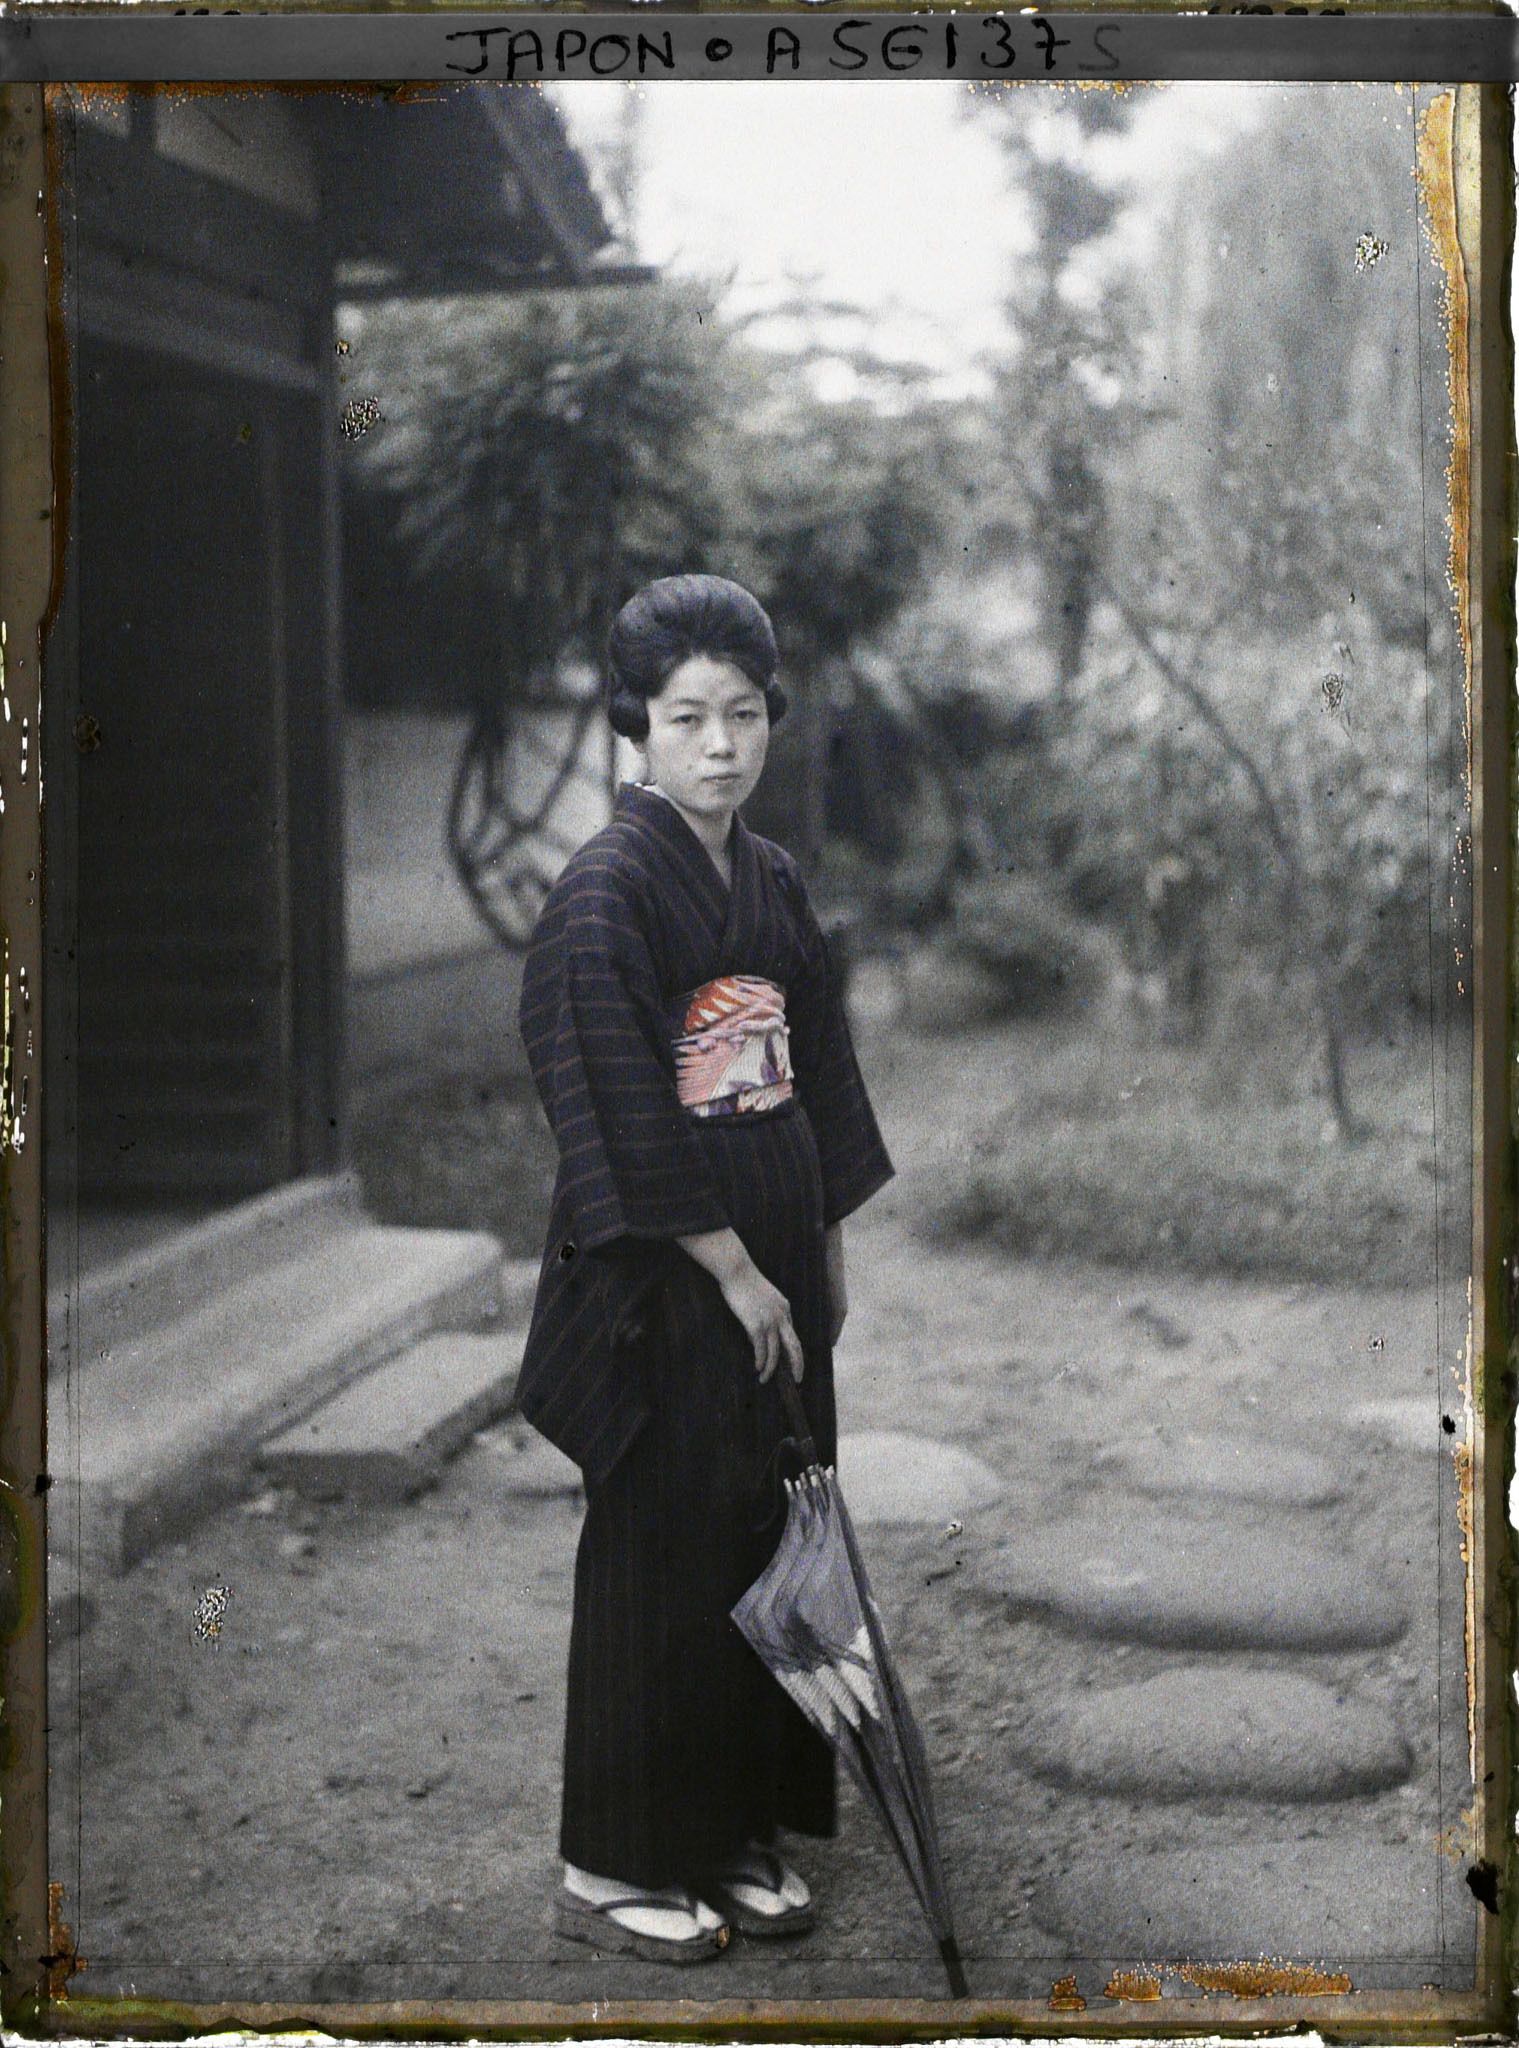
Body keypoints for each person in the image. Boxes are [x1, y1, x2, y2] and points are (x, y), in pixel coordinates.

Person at [517, 574, 895, 1965]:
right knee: (664, 1549)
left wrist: (822, 1246)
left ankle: (733, 1832)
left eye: (744, 715)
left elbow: (825, 1069)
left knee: (770, 1532)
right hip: (663, 1271)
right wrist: (733, 1273)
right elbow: (608, 1092)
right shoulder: (606, 891)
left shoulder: (773, 876)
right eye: (689, 718)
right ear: (637, 729)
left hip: (780, 1247)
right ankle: (614, 1857)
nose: (722, 745)